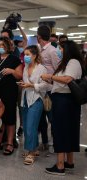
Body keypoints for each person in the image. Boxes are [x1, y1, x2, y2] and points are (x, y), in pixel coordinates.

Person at [41, 40, 85, 176]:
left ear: (67, 49)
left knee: (61, 131)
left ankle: (60, 165)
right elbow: (61, 79)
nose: (59, 50)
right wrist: (50, 79)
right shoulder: (66, 63)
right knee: (68, 131)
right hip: (64, 100)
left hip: (65, 101)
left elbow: (67, 79)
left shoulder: (73, 62)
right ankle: (69, 162)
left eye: (61, 48)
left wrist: (50, 76)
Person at [18, 45, 51, 165]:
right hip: (25, 98)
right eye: (24, 55)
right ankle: (34, 148)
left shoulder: (41, 68)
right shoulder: (26, 67)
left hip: (36, 99)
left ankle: (31, 153)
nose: (25, 57)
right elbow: (26, 81)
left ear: (35, 55)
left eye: (28, 55)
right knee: (26, 125)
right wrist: (24, 84)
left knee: (31, 125)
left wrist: (32, 85)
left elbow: (46, 85)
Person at [36, 25, 60, 152]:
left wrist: (50, 78)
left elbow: (58, 70)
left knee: (52, 118)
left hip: (50, 90)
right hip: (40, 89)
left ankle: (57, 143)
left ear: (39, 36)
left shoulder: (52, 51)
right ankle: (44, 142)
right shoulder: (39, 49)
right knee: (41, 119)